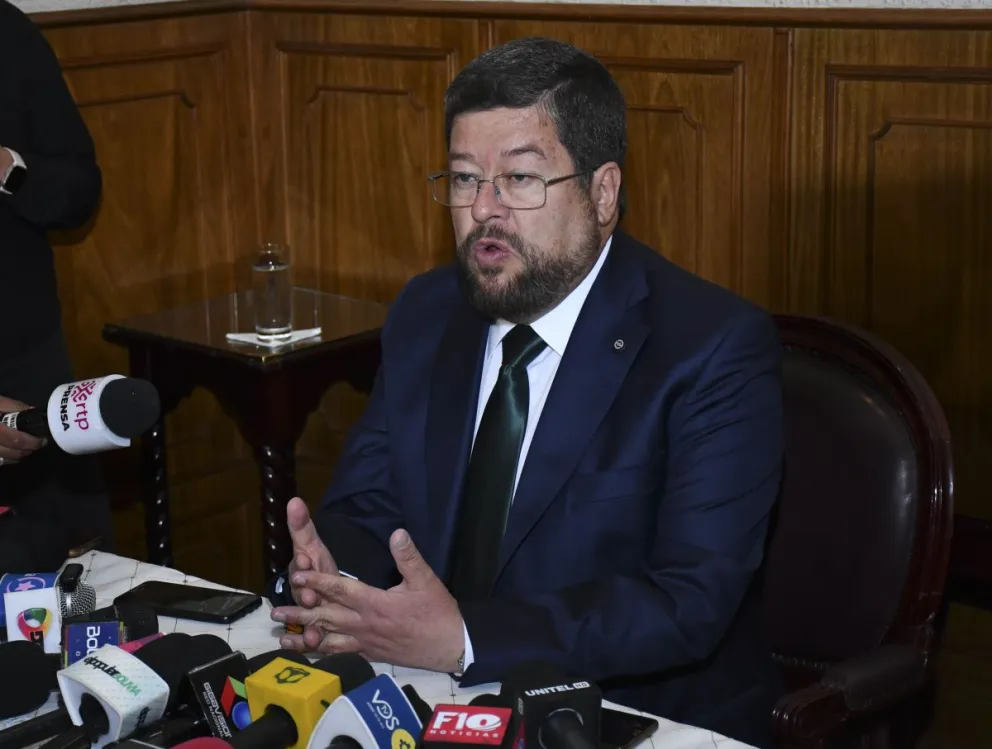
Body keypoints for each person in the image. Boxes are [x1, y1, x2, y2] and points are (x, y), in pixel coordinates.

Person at [267, 37, 784, 747]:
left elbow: (685, 600)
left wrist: (467, 636)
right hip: (438, 698)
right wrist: (336, 579)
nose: (484, 210)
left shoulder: (713, 348)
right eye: (462, 178)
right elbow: (371, 502)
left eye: (519, 179)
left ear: (603, 193)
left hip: (632, 717)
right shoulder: (427, 312)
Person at [0, 0, 111, 560]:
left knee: (74, 572)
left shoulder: (9, 32)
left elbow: (79, 191)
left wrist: (10, 171)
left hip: (24, 352)